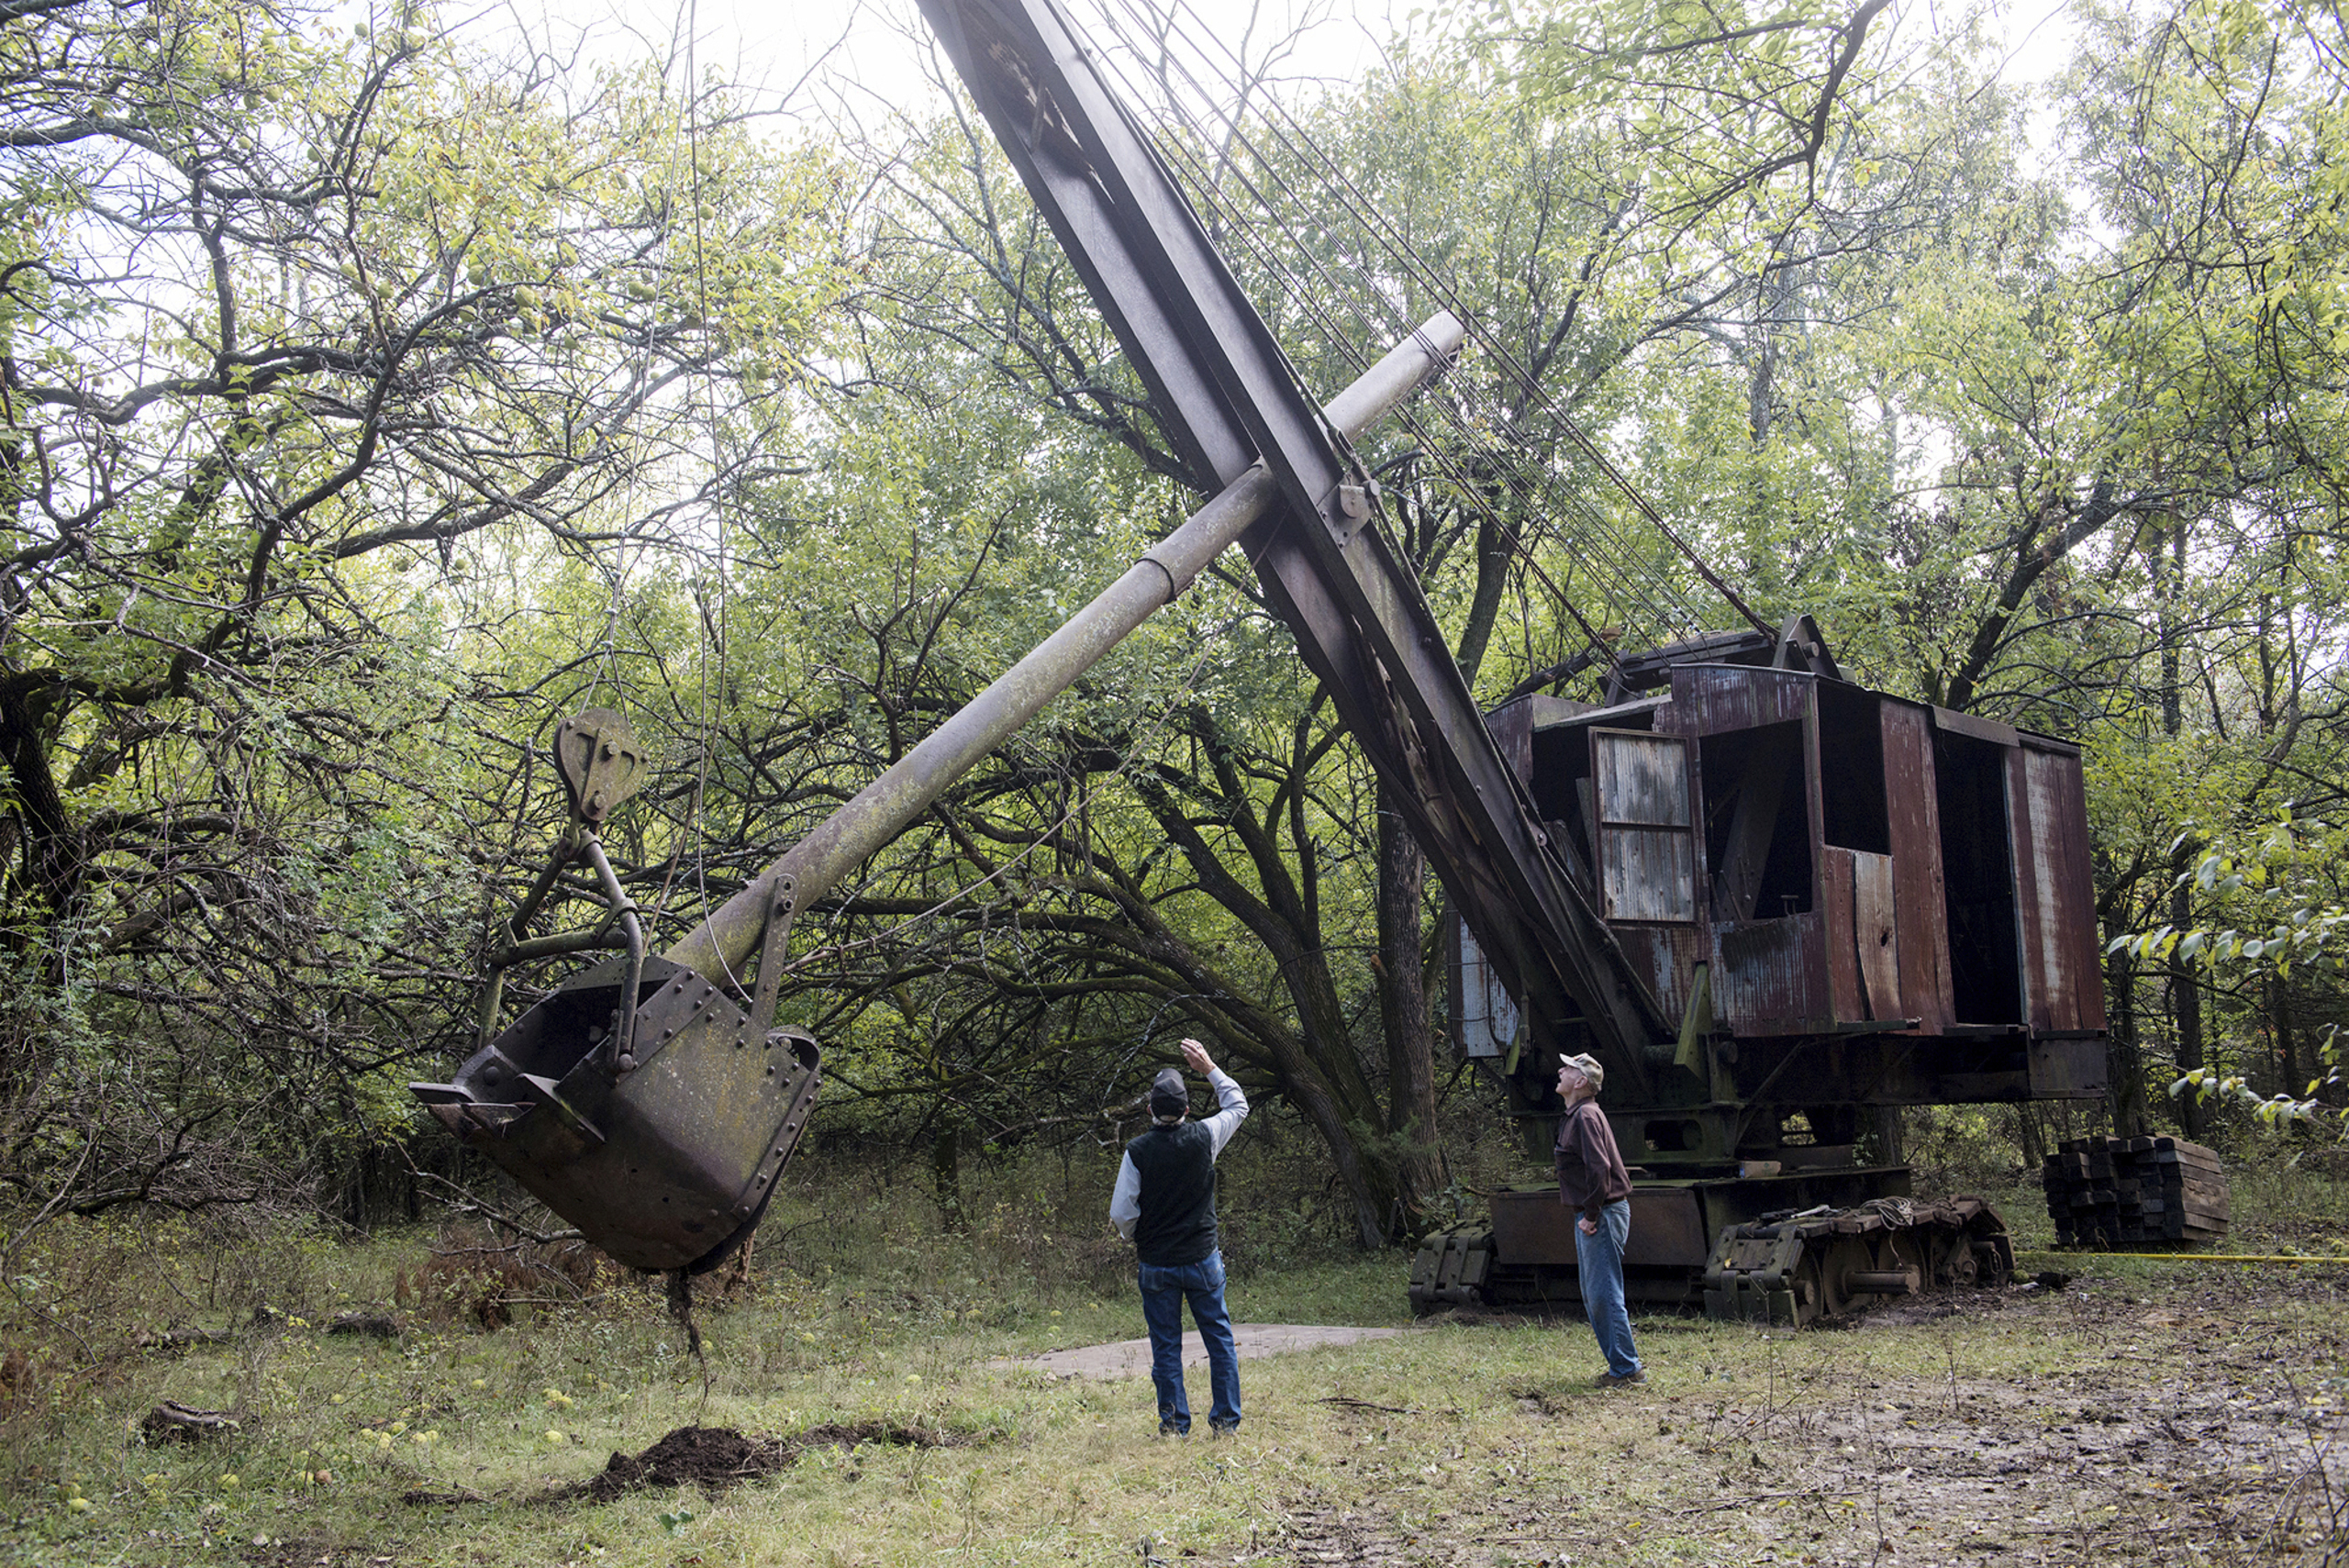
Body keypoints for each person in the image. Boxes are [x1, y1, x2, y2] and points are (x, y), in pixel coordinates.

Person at [1109, 1036, 1250, 1435]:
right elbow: (1238, 1104)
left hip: (1157, 1264)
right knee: (1218, 1340)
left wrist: (1139, 1236)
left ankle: (1174, 1426)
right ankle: (1225, 1423)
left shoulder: (1137, 1151)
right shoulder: (1205, 1137)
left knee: (1166, 1347)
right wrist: (1208, 1067)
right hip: (1203, 1259)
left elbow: (1122, 1213)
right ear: (1187, 1109)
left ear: (1150, 1109)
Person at [1554, 1051, 1643, 1387]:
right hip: (1597, 1213)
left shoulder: (1586, 1117)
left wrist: (1591, 1215)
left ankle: (1627, 1369)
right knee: (1597, 1294)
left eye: (1568, 1068)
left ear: (1581, 1082)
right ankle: (1622, 1367)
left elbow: (1599, 1169)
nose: (1560, 1071)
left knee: (1604, 1294)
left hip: (1602, 1213)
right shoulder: (1579, 1114)